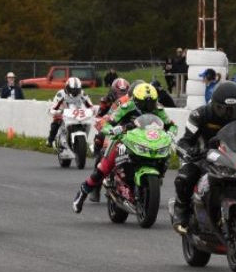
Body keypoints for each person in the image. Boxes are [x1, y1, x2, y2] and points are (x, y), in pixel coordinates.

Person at [171, 82, 236, 231]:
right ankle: (181, 211)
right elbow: (184, 141)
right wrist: (190, 151)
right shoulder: (200, 115)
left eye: (235, 109)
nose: (230, 114)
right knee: (186, 176)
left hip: (235, 156)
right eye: (224, 109)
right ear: (215, 104)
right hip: (204, 156)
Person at [72, 82, 178, 213]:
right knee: (104, 167)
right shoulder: (126, 106)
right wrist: (113, 130)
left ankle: (150, 183)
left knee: (165, 155)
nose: (148, 106)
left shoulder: (158, 108)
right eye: (145, 103)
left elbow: (171, 125)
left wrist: (171, 133)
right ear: (136, 100)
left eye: (151, 103)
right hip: (124, 139)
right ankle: (83, 192)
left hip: (148, 141)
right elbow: (107, 122)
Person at [47, 77, 94, 147]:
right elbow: (54, 107)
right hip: (63, 113)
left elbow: (90, 105)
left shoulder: (82, 93)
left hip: (77, 114)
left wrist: (92, 110)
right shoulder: (61, 94)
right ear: (67, 87)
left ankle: (83, 140)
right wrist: (57, 112)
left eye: (76, 90)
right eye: (72, 90)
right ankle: (50, 140)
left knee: (87, 123)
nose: (74, 92)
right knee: (56, 121)